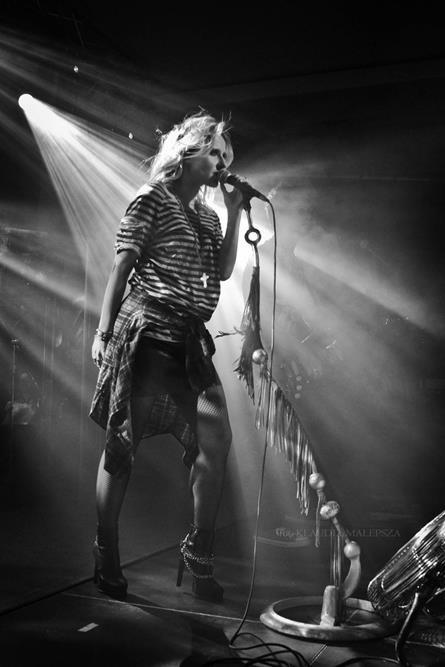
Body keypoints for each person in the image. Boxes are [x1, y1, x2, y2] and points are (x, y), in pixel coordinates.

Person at [89, 111, 243, 602]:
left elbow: (222, 272)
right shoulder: (152, 197)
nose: (222, 163)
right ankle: (106, 550)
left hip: (190, 341)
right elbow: (122, 267)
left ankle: (199, 556)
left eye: (226, 156)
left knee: (216, 439)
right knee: (123, 444)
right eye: (215, 152)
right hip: (147, 331)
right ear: (188, 151)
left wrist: (235, 213)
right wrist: (103, 332)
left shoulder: (209, 215)